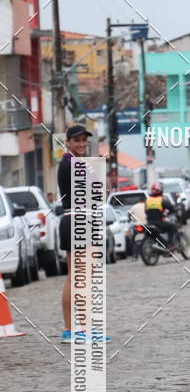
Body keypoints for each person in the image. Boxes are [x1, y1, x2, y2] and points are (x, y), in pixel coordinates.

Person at [57, 125, 111, 343]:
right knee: (82, 278)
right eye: (76, 140)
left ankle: (71, 330)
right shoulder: (74, 164)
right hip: (79, 221)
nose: (81, 144)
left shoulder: (71, 162)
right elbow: (98, 192)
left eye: (83, 140)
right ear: (68, 142)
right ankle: (84, 330)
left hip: (75, 219)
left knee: (74, 277)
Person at [145, 182, 178, 248]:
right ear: (161, 190)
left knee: (155, 234)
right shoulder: (161, 200)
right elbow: (171, 209)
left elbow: (146, 211)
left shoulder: (148, 200)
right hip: (158, 222)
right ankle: (170, 245)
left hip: (149, 223)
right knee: (172, 227)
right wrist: (166, 214)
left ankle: (163, 245)